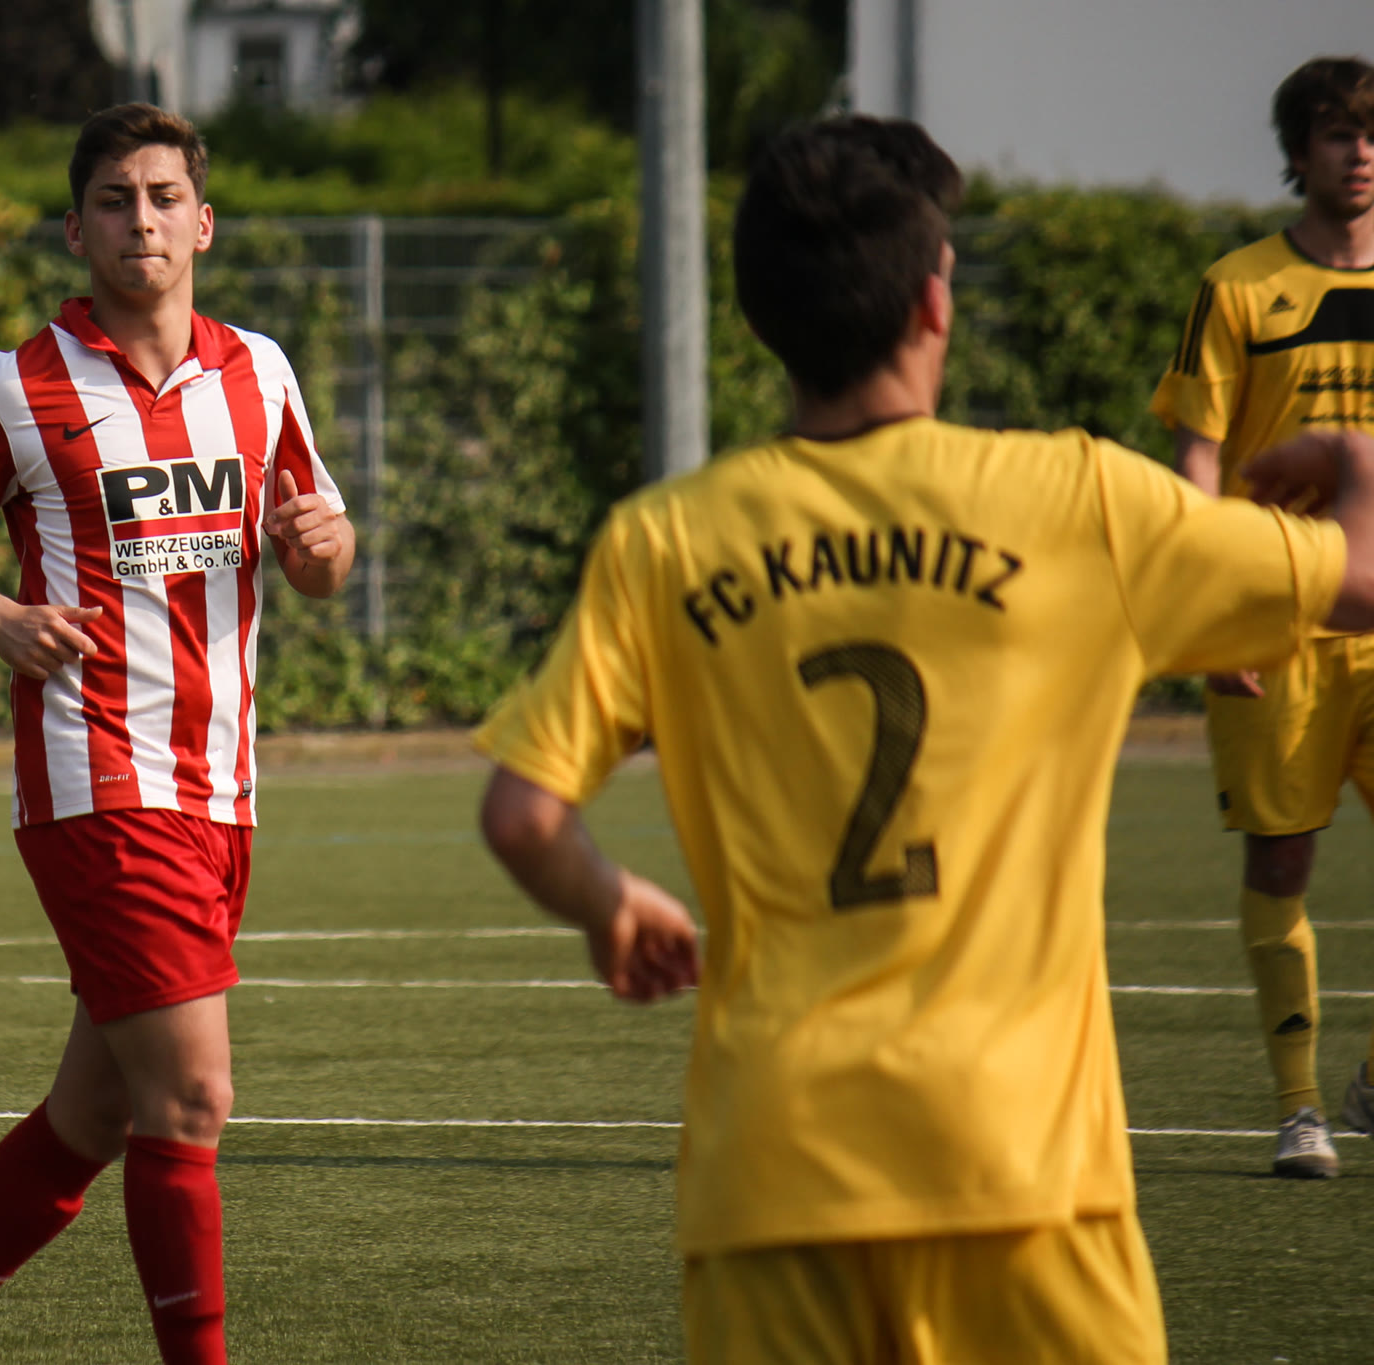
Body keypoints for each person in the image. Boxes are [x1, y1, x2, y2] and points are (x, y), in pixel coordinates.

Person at [475, 114, 1374, 1365]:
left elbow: (522, 815)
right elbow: (1359, 582)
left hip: (770, 1177)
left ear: (757, 321)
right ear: (932, 304)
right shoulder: (1075, 501)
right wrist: (1350, 461)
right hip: (1022, 1173)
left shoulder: (663, 539)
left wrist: (606, 901)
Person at [0, 103, 353, 1365]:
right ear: (75, 230)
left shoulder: (261, 373)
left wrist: (326, 546)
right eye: (114, 201)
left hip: (221, 791)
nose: (141, 222)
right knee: (193, 1094)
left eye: (164, 198)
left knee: (97, 1113)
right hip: (96, 780)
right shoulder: (15, 386)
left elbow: (317, 554)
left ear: (203, 224)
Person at [1150, 54, 1374, 1179]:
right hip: (1278, 620)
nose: (1361, 151)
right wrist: (1211, 609)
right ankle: (1300, 1110)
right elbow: (1195, 458)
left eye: (1371, 132)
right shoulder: (1237, 287)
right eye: (1337, 132)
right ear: (1296, 153)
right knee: (1281, 861)